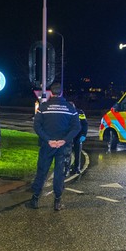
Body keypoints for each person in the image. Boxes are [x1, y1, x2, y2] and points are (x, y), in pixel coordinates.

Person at [27, 83, 81, 211]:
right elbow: (76, 127)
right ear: (61, 93)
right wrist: (64, 140)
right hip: (63, 147)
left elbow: (37, 126)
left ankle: (35, 199)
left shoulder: (43, 107)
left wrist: (48, 140)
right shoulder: (70, 108)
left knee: (42, 172)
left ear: (51, 92)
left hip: (47, 145)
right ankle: (57, 202)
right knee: (59, 173)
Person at [69, 106, 88, 174]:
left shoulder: (80, 112)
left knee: (77, 152)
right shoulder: (66, 111)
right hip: (69, 135)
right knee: (68, 152)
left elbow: (85, 124)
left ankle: (76, 168)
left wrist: (83, 135)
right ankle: (68, 168)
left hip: (78, 135)